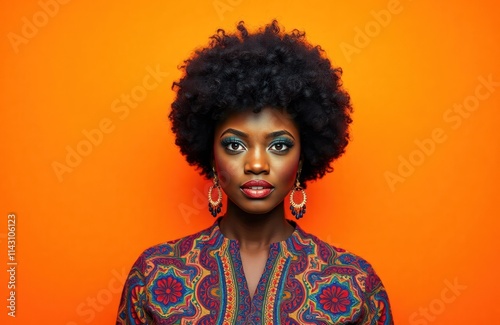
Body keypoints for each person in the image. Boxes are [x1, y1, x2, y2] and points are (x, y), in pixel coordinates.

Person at [116, 20, 393, 324]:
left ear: (302, 157)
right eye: (235, 145)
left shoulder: (354, 284)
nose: (257, 164)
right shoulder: (155, 274)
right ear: (211, 155)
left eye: (279, 146)